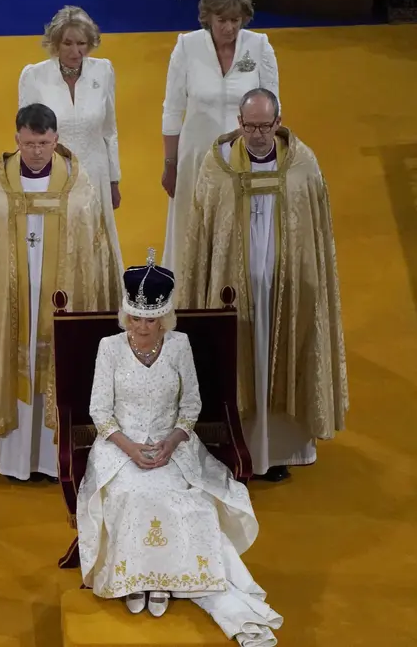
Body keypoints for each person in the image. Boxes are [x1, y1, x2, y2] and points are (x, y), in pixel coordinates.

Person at [77, 252, 282, 646]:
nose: (141, 327)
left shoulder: (179, 345)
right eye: (135, 319)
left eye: (150, 320)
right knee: (131, 492)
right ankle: (136, 578)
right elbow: (99, 411)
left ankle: (162, 579)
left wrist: (171, 443)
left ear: (165, 319)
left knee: (185, 496)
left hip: (173, 445)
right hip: (119, 445)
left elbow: (191, 406)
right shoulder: (109, 348)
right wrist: (131, 449)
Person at [0, 104, 119, 482]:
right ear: (17, 139)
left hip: (62, 299)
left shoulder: (78, 185)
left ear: (56, 140)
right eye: (29, 144)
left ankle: (55, 458)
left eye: (44, 143)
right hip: (9, 301)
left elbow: (93, 250)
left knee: (57, 365)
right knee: (14, 364)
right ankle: (14, 459)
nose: (37, 152)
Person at [177, 88, 348, 482]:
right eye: (250, 126)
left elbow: (316, 236)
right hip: (231, 291)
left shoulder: (302, 166)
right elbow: (202, 235)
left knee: (280, 357)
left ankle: (280, 451)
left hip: (288, 290)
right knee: (236, 360)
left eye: (265, 126)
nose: (257, 134)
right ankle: (233, 447)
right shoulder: (217, 166)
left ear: (278, 122)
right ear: (239, 122)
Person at [161, 0, 279, 278]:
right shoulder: (186, 47)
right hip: (196, 157)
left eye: (235, 20)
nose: (229, 27)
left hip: (245, 159)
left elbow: (273, 107)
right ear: (208, 17)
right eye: (222, 20)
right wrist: (170, 164)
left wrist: (270, 161)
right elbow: (172, 110)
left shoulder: (260, 47)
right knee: (191, 228)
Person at [18, 6, 123, 273]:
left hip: (96, 175)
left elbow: (109, 130)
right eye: (68, 43)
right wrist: (28, 181)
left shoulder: (104, 71)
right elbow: (27, 135)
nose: (75, 51)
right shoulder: (34, 76)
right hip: (53, 176)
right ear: (55, 43)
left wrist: (114, 180)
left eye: (81, 43)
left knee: (95, 249)